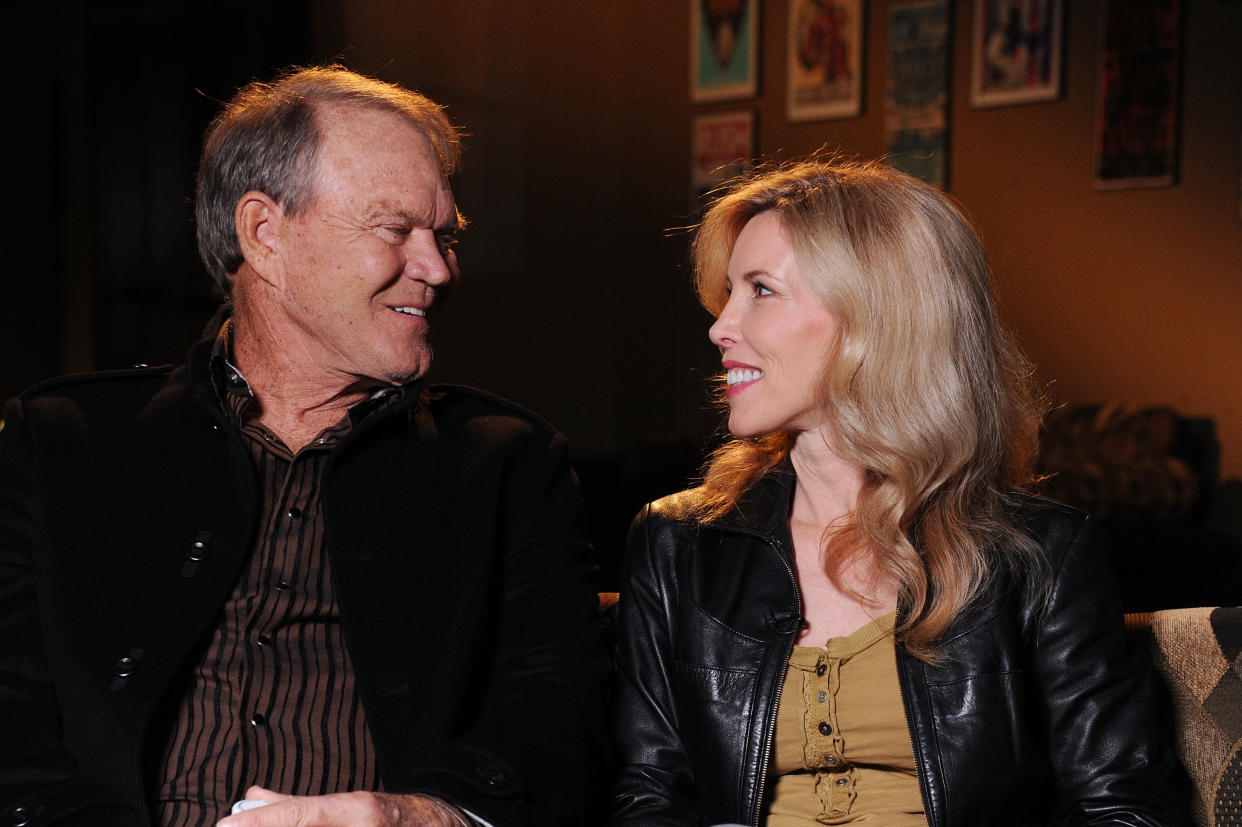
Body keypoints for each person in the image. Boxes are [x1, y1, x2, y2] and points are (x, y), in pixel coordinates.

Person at [0, 66, 605, 826]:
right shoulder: (64, 445)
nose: (438, 268)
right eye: (396, 229)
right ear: (265, 234)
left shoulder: (504, 465)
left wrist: (411, 816)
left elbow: (554, 718)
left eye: (443, 235)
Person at [608, 158, 1184, 825]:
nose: (720, 325)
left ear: (875, 319)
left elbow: (1128, 808)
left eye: (760, 290)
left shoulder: (1037, 554)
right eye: (729, 291)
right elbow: (646, 795)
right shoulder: (677, 544)